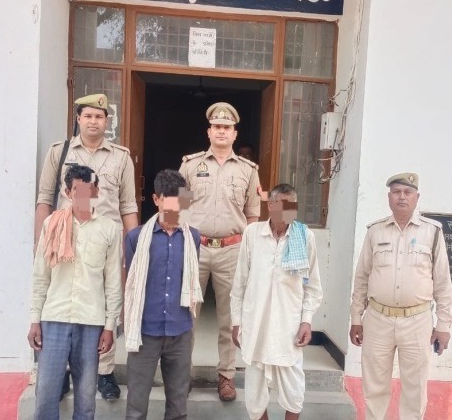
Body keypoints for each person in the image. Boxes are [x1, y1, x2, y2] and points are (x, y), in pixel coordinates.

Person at [35, 93, 138, 400]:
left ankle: (104, 372)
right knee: (66, 300)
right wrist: (41, 242)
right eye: (88, 116)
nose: (94, 121)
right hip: (65, 238)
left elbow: (128, 205)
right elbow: (45, 198)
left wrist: (132, 250)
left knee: (107, 301)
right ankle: (64, 372)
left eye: (100, 116)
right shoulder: (60, 152)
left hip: (107, 240)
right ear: (78, 118)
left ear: (107, 121)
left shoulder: (121, 157)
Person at [349, 172, 452, 420]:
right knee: (374, 386)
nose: (402, 197)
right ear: (389, 198)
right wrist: (356, 318)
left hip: (417, 321)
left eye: (407, 192)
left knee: (415, 388)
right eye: (396, 192)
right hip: (378, 319)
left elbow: (442, 282)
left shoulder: (432, 232)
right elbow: (362, 277)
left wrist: (443, 325)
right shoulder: (375, 231)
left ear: (417, 197)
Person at [179, 102, 261, 401]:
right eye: (217, 127)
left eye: (227, 127)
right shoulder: (190, 165)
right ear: (209, 131)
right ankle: (181, 375)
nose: (222, 131)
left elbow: (253, 215)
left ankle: (226, 375)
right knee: (187, 315)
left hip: (231, 250)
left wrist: (251, 253)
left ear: (235, 133)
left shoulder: (248, 170)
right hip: (195, 247)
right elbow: (177, 209)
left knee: (230, 319)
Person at [28, 165, 122, 419]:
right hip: (54, 319)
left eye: (89, 189)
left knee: (86, 398)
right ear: (68, 192)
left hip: (91, 321)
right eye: (78, 190)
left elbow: (113, 282)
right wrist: (35, 319)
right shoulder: (52, 224)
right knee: (45, 394)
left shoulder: (109, 229)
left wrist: (110, 326)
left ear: (97, 191)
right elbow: (40, 276)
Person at [230, 183, 323, 420]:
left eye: (292, 205)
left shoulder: (304, 236)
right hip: (256, 326)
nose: (287, 210)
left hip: (288, 330)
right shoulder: (253, 233)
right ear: (270, 205)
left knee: (294, 393)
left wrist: (307, 321)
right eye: (282, 204)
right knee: (255, 397)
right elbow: (240, 282)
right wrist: (236, 321)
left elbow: (312, 286)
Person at [124, 169, 203, 420]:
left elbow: (189, 278)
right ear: (156, 200)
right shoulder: (136, 238)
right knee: (136, 408)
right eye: (170, 204)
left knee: (178, 408)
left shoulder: (192, 237)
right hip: (145, 332)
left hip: (180, 331)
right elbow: (132, 284)